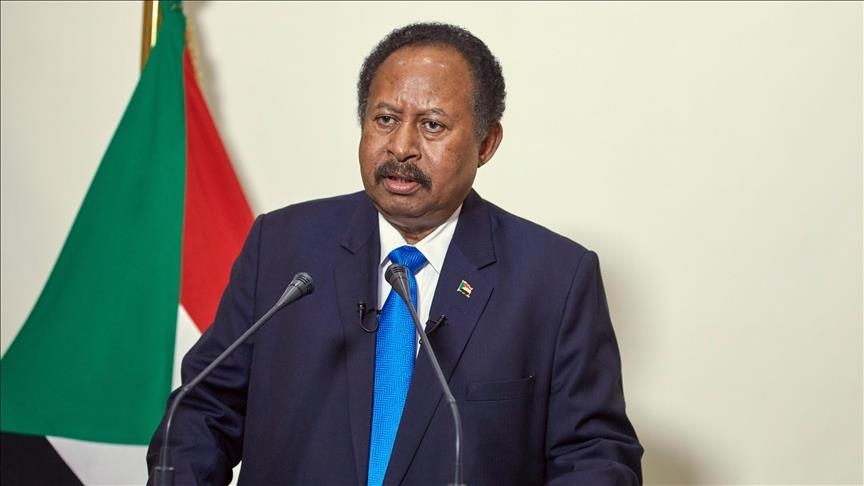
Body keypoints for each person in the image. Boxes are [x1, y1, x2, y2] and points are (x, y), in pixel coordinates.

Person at [147, 22, 643, 485]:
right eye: (385, 119)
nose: (401, 147)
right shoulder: (282, 247)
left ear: (486, 142)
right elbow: (201, 411)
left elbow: (595, 456)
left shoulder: (555, 279)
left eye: (432, 126)